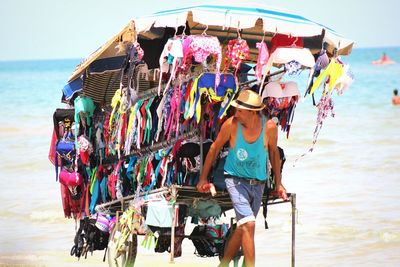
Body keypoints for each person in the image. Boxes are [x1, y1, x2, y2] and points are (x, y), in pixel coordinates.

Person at [196, 89, 287, 267]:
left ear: (253, 112)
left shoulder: (269, 127)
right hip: (235, 180)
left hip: (258, 183)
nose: (235, 113)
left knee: (242, 228)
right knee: (250, 224)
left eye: (239, 110)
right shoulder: (231, 125)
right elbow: (214, 149)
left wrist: (279, 183)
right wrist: (203, 178)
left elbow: (274, 154)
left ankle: (223, 264)